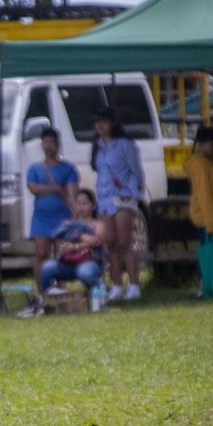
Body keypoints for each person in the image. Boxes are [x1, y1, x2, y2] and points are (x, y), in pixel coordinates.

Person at [91, 107, 144, 301]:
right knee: (110, 243)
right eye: (97, 122)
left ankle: (134, 284)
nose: (100, 125)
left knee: (125, 242)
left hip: (122, 197)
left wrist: (132, 192)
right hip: (104, 199)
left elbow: (136, 172)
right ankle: (116, 284)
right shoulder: (97, 146)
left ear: (112, 123)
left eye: (104, 121)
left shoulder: (124, 144)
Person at [26, 127, 79, 295]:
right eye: (45, 142)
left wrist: (75, 211)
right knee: (41, 254)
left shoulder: (68, 168)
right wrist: (55, 188)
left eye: (52, 142)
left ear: (58, 145)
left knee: (61, 254)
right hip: (41, 218)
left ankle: (59, 289)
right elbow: (32, 188)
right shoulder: (35, 168)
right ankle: (42, 291)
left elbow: (72, 193)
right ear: (41, 145)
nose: (48, 146)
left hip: (61, 217)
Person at [39, 188, 105, 295]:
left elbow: (95, 242)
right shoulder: (67, 223)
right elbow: (59, 239)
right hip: (67, 263)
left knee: (85, 273)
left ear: (93, 205)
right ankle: (48, 298)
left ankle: (98, 293)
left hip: (89, 261)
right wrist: (82, 236)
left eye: (85, 203)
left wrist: (74, 246)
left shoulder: (99, 225)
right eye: (78, 204)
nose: (81, 207)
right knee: (47, 268)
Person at [183, 126, 213, 298]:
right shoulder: (199, 163)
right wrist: (210, 222)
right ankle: (204, 285)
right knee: (207, 253)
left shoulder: (204, 161)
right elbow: (204, 194)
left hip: (205, 216)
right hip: (206, 218)